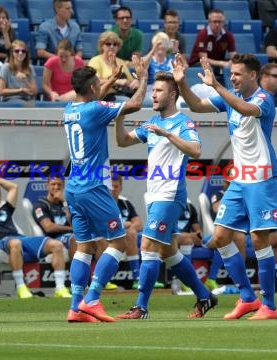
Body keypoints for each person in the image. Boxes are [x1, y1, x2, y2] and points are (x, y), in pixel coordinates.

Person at [174, 53, 277, 320]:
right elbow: (196, 106)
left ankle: (269, 306)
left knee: (258, 239)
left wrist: (216, 85)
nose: (232, 77)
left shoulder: (264, 98)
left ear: (252, 75)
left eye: (237, 74)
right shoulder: (228, 98)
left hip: (262, 178)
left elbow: (246, 110)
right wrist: (182, 84)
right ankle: (247, 297)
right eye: (230, 73)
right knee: (220, 237)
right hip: (239, 180)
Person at [114, 71, 217, 320]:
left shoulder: (183, 122)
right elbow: (123, 141)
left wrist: (168, 135)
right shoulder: (151, 122)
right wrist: (119, 118)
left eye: (159, 90)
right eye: (153, 90)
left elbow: (196, 150)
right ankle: (205, 296)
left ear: (172, 94)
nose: (154, 94)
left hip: (170, 194)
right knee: (168, 252)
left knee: (147, 245)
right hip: (155, 195)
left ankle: (141, 308)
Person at [63, 60, 148, 323]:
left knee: (85, 247)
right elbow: (134, 105)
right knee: (118, 242)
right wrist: (143, 78)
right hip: (95, 187)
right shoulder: (95, 110)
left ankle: (76, 308)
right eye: (98, 83)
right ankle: (93, 299)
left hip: (73, 189)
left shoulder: (69, 109)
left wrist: (110, 80)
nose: (102, 86)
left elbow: (93, 100)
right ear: (91, 86)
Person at [0, 173, 72, 299]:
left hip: (21, 238)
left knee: (56, 245)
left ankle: (60, 288)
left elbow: (13, 187)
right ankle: (21, 287)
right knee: (15, 243)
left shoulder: (6, 209)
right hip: (2, 242)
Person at [110, 175, 145, 290]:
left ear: (121, 188)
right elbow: (102, 225)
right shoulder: (102, 203)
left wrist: (131, 227)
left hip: (127, 237)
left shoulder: (125, 203)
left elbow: (139, 223)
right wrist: (124, 225)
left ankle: (150, 277)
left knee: (148, 238)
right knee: (131, 233)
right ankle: (137, 277)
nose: (113, 189)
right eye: (111, 186)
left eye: (116, 186)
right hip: (108, 237)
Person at [31, 177, 76, 261]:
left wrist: (65, 202)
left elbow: (74, 223)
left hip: (69, 236)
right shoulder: (40, 205)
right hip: (52, 240)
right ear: (47, 186)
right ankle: (75, 273)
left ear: (63, 187)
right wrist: (72, 229)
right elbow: (49, 227)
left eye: (59, 184)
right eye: (53, 184)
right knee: (74, 238)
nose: (56, 187)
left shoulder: (66, 204)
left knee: (98, 239)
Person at [88, 31, 138, 102]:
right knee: (127, 101)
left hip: (124, 93)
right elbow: (95, 81)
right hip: (104, 95)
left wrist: (135, 82)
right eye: (108, 44)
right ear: (102, 46)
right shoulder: (95, 61)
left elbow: (130, 80)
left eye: (115, 44)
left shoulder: (121, 62)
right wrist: (117, 81)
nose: (112, 46)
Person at [189, 9, 236, 78]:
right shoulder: (203, 34)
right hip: (198, 63)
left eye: (219, 22)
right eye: (214, 22)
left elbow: (234, 55)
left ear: (223, 23)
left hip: (217, 64)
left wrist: (232, 62)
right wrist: (222, 63)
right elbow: (204, 58)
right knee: (208, 67)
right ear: (209, 22)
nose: (217, 24)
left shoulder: (228, 35)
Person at [0, 40, 37, 106]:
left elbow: (34, 92)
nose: (20, 53)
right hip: (10, 100)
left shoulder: (30, 68)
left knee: (38, 107)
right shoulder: (5, 67)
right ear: (12, 53)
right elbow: (1, 91)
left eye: (23, 51)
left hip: (27, 100)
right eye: (17, 51)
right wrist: (20, 90)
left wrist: (26, 81)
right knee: (27, 106)